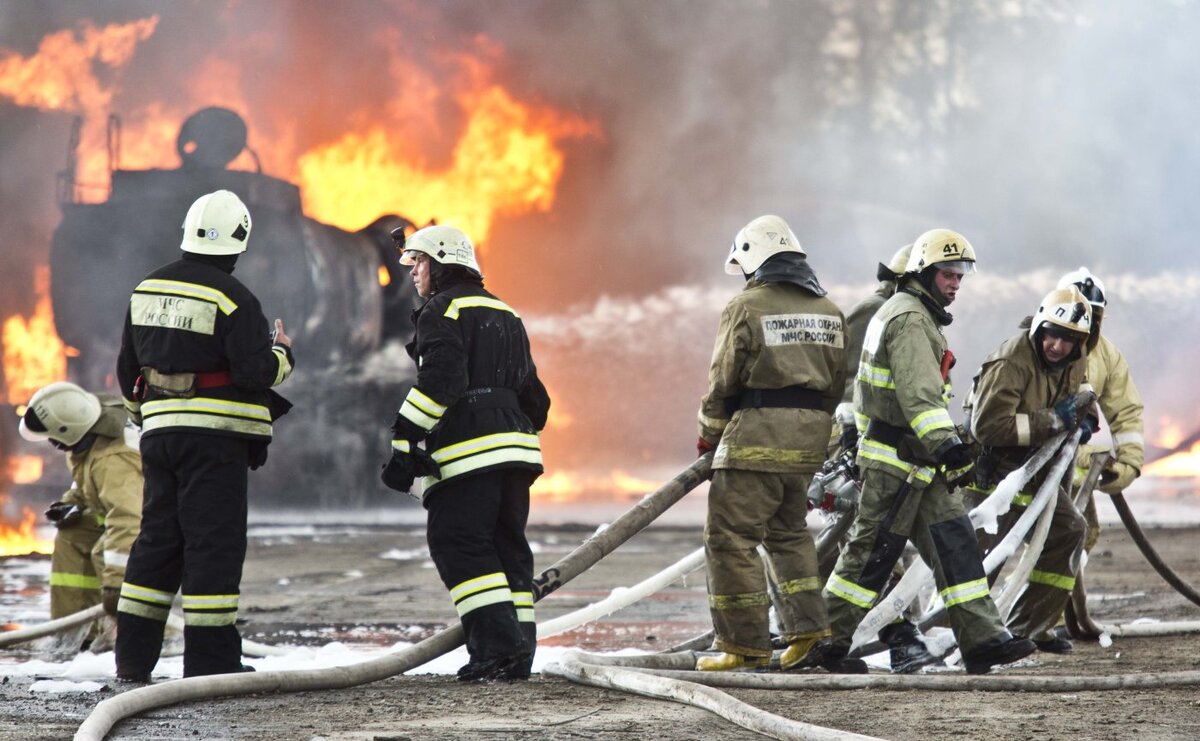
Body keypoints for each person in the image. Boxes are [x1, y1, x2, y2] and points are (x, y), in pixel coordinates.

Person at [823, 228, 1036, 674]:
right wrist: (950, 448)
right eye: (947, 275)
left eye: (960, 276)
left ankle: (983, 640)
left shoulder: (915, 313)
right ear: (923, 273)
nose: (956, 283)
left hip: (919, 462)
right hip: (896, 463)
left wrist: (945, 451)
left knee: (955, 543)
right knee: (870, 555)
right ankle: (824, 642)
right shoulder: (910, 319)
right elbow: (919, 396)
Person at [114, 189, 295, 681]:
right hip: (215, 441)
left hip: (159, 437)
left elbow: (128, 368)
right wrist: (282, 354)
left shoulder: (146, 289)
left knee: (157, 541)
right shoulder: (234, 298)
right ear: (240, 240)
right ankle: (210, 663)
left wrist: (143, 416)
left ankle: (132, 660)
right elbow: (254, 372)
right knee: (212, 544)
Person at [382, 224, 550, 682]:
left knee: (459, 543)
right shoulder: (505, 311)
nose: (413, 272)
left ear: (440, 263)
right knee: (508, 550)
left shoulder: (441, 309)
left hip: (469, 454)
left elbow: (442, 381)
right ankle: (518, 653)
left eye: (418, 262)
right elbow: (536, 401)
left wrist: (404, 438)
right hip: (517, 454)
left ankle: (496, 651)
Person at [694, 214, 847, 673]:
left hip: (755, 441)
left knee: (730, 538)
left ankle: (743, 645)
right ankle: (808, 634)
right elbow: (836, 384)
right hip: (807, 444)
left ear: (755, 259)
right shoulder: (830, 310)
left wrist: (710, 433)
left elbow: (724, 379)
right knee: (789, 535)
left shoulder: (746, 306)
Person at [824, 243, 939, 674]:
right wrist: (850, 441)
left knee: (871, 540)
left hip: (888, 445)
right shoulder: (876, 313)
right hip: (856, 443)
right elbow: (847, 384)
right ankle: (899, 636)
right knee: (871, 540)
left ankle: (829, 630)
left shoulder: (911, 316)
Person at [965, 285, 1098, 652]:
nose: (1057, 346)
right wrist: (1054, 420)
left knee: (1069, 531)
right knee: (979, 560)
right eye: (1052, 335)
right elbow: (987, 427)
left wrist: (1088, 418)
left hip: (1038, 472)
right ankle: (955, 639)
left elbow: (1084, 392)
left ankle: (1029, 628)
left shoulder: (1076, 357)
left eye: (1068, 340)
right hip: (993, 473)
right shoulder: (1012, 361)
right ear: (1040, 327)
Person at [19, 382, 142, 649]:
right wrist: (71, 503)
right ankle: (75, 634)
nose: (53, 444)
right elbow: (89, 482)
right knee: (73, 534)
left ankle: (143, 632)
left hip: (156, 524)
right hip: (129, 512)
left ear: (67, 430)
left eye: (53, 437)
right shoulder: (90, 436)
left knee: (104, 551)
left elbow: (129, 519)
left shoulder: (114, 459)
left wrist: (116, 584)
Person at [1057, 268, 1144, 543]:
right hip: (1026, 461)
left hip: (1068, 462)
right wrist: (1085, 456)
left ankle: (1058, 576)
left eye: (1094, 315)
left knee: (1082, 533)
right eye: (1080, 312)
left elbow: (1125, 411)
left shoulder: (1107, 356)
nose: (1087, 322)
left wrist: (1129, 463)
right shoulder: (1046, 345)